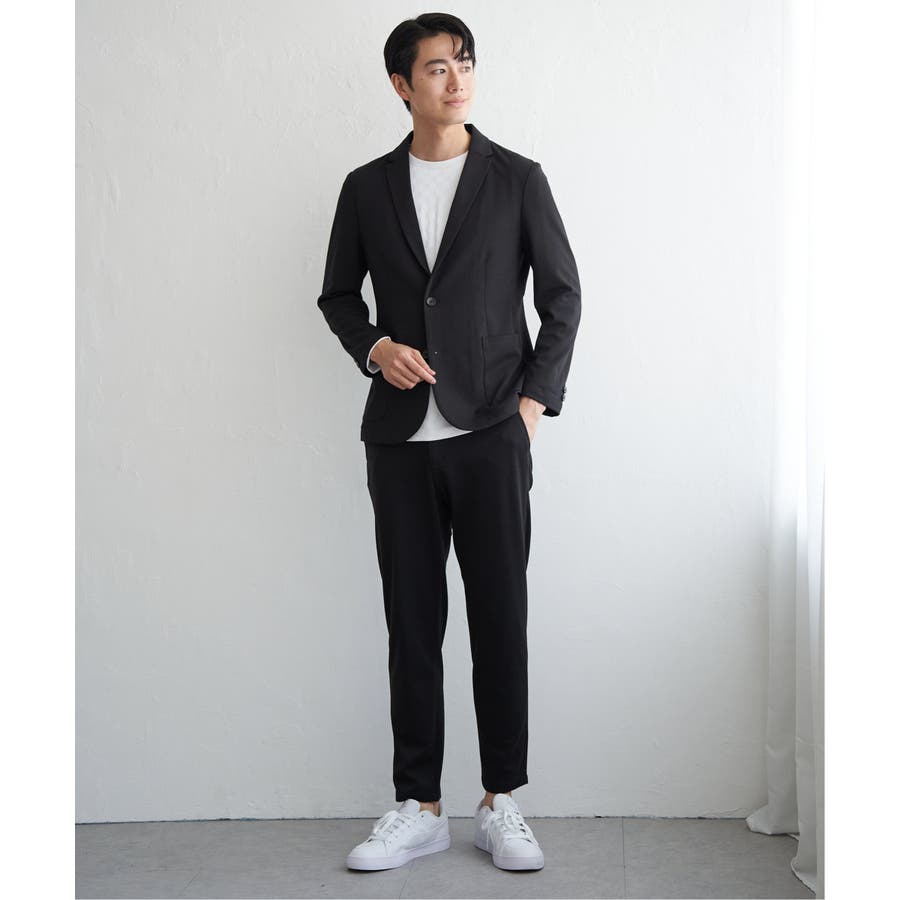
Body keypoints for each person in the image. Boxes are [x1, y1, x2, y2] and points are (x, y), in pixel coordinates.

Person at [316, 12, 581, 872]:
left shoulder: (517, 179)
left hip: (493, 431)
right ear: (402, 85)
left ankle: (502, 801)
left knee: (500, 615)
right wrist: (375, 348)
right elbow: (338, 297)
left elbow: (563, 297)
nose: (456, 79)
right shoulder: (366, 188)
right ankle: (419, 805)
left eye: (464, 62)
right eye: (436, 67)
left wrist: (532, 404)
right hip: (400, 441)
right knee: (412, 623)